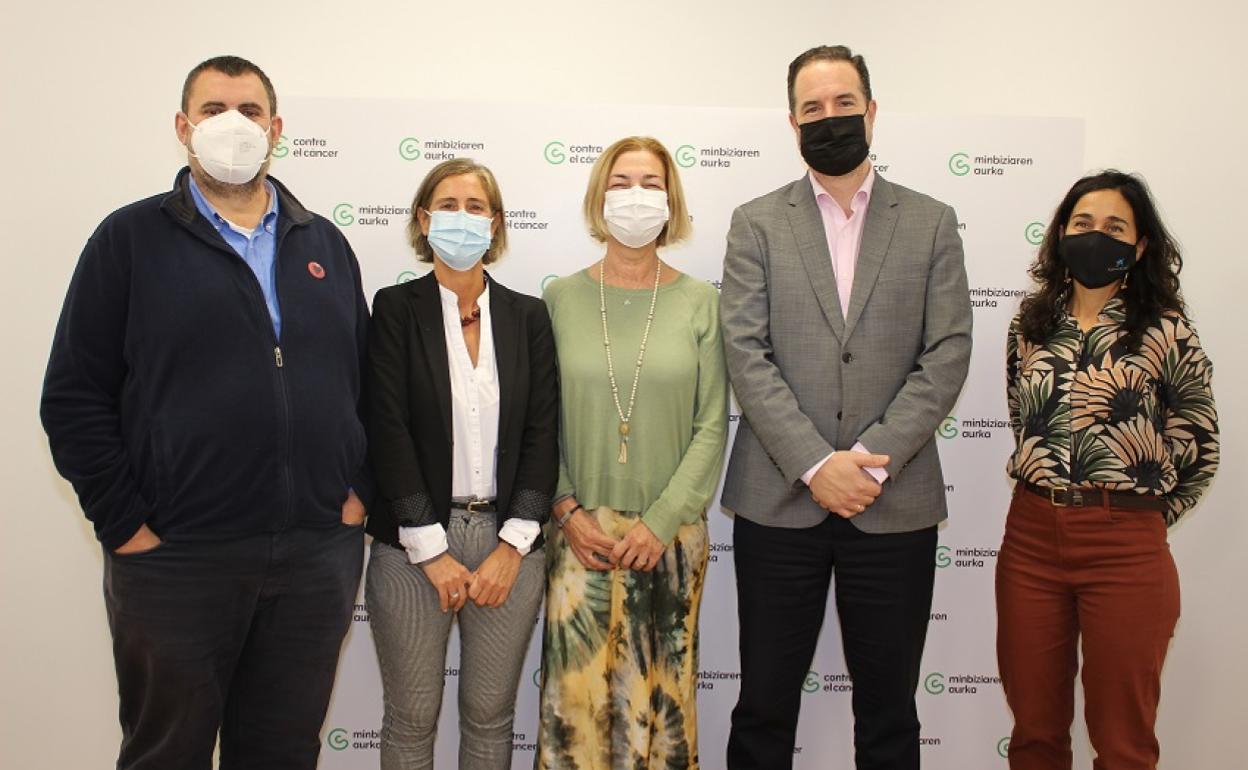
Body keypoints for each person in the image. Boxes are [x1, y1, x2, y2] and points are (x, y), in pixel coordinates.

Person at [39, 55, 371, 770]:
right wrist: (125, 525)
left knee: (282, 753)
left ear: (276, 128)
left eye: (249, 111)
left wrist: (356, 496)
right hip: (176, 561)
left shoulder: (325, 246)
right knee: (168, 753)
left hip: (315, 557)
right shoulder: (128, 241)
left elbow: (366, 385)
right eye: (214, 109)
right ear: (183, 128)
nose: (233, 126)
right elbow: (72, 395)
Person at [719, 45, 973, 770]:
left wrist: (864, 463)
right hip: (778, 501)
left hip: (893, 502)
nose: (829, 119)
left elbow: (947, 351)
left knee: (890, 711)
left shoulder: (930, 221)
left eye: (843, 104)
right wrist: (814, 464)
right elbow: (746, 351)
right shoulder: (757, 222)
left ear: (871, 109)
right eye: (812, 108)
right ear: (792, 121)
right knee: (764, 704)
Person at [998, 170, 1219, 770]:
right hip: (1031, 539)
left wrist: (1137, 513)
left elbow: (1198, 445)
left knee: (1123, 741)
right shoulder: (1031, 324)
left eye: (1115, 227)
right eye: (1083, 224)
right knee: (1035, 733)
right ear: (1061, 235)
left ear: (1139, 244)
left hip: (1126, 546)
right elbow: (1022, 415)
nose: (1097, 236)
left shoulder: (1165, 329)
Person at [536, 136, 728, 770]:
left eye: (651, 183)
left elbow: (710, 426)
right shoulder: (560, 298)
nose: (636, 196)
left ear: (671, 201)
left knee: (661, 710)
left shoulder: (701, 302)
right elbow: (541, 421)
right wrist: (566, 508)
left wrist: (662, 520)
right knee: (576, 712)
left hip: (670, 542)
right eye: (621, 182)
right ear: (598, 195)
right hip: (578, 535)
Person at [365, 158, 558, 770]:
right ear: (424, 221)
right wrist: (431, 549)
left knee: (490, 718)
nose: (462, 218)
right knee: (410, 719)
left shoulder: (528, 316)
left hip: (509, 545)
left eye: (477, 207)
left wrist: (514, 544)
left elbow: (542, 433)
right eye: (448, 205)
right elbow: (386, 429)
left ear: (496, 224)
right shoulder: (394, 308)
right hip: (411, 547)